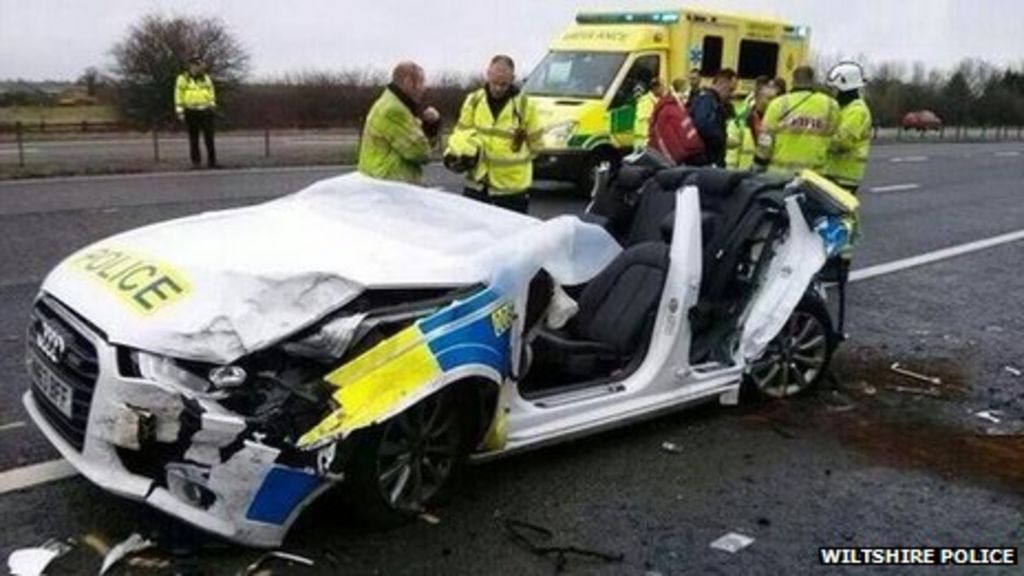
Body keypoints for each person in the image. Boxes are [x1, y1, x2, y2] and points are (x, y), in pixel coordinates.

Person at [445, 55, 542, 214]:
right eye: (494, 83)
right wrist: (457, 155)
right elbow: (460, 134)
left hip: (511, 190)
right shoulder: (474, 101)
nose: (498, 88)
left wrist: (516, 149)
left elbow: (537, 146)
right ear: (488, 74)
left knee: (514, 237)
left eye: (503, 84)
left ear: (513, 78)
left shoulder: (525, 106)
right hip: (477, 185)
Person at [357, 61, 441, 184]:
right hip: (391, 186)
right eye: (421, 82)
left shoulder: (391, 104)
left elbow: (417, 138)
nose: (424, 88)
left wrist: (430, 124)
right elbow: (421, 152)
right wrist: (431, 126)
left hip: (381, 182)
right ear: (408, 82)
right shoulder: (394, 110)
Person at [755, 66, 840, 175]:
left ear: (793, 81)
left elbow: (766, 139)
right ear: (813, 81)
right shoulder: (831, 105)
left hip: (780, 174)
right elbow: (835, 139)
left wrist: (760, 163)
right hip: (814, 176)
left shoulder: (778, 104)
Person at [824, 62, 873, 194]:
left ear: (845, 89)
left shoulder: (856, 111)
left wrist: (818, 141)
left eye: (835, 89)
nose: (833, 93)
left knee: (838, 213)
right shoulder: (843, 108)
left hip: (844, 176)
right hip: (835, 172)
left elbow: (842, 142)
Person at [688, 68, 738, 167]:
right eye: (730, 90)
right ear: (722, 83)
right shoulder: (707, 100)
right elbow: (703, 124)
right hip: (706, 162)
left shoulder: (709, 100)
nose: (731, 95)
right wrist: (722, 139)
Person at [174, 56, 218, 168]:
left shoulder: (206, 78)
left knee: (209, 137)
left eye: (202, 65)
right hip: (191, 110)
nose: (201, 67)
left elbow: (211, 91)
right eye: (198, 65)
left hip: (205, 110)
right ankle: (196, 162)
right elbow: (178, 94)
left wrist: (212, 104)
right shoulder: (182, 78)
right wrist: (180, 110)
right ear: (192, 66)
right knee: (194, 138)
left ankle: (212, 161)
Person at [726, 78, 778, 169]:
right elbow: (731, 154)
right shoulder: (740, 122)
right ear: (757, 98)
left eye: (775, 99)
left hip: (769, 176)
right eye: (769, 98)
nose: (773, 103)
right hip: (744, 175)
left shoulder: (778, 122)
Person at [634, 76, 666, 151]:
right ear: (656, 88)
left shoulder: (656, 101)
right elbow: (645, 123)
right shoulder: (646, 102)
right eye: (662, 87)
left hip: (649, 142)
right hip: (644, 143)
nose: (664, 90)